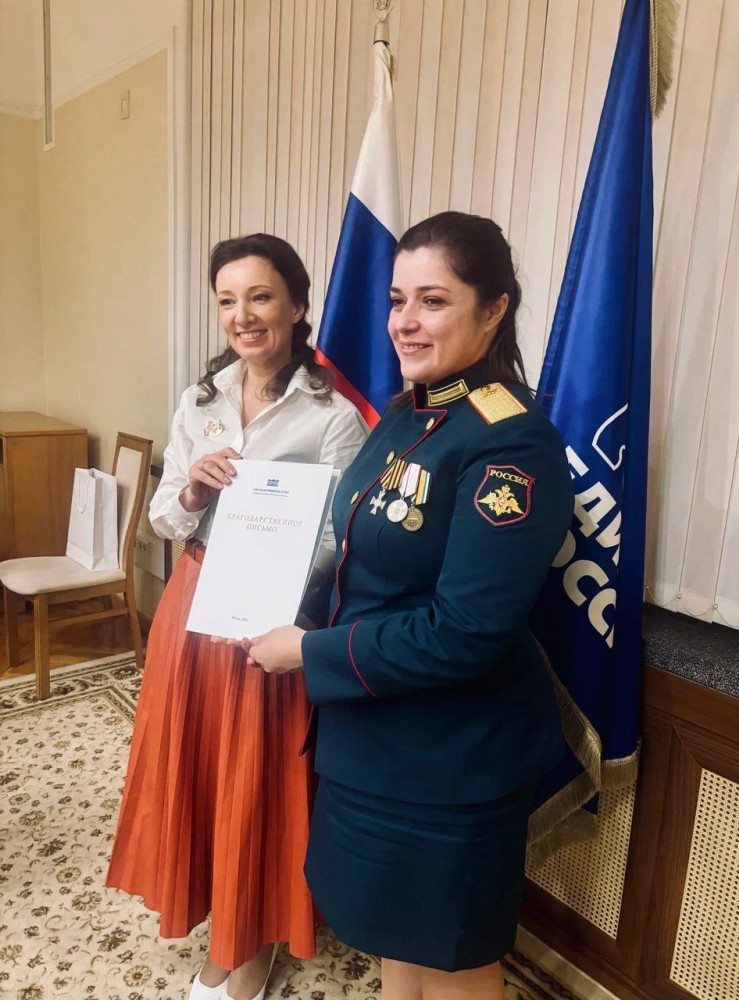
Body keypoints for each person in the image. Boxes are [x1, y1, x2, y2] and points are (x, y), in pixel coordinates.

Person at [241, 212, 574, 1000]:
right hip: (369, 738)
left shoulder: (510, 442)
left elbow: (466, 632)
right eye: (397, 300)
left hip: (448, 759)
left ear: (493, 309)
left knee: (452, 958)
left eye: (433, 300)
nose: (404, 322)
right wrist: (274, 599)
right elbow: (363, 561)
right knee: (395, 939)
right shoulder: (405, 414)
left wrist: (308, 651)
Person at [106, 234, 367, 1000]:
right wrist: (192, 489)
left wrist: (273, 543)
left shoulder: (333, 417)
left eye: (259, 296)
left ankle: (251, 943)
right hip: (191, 605)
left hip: (269, 616)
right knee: (195, 767)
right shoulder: (202, 401)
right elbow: (164, 516)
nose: (242, 315)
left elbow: (342, 541)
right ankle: (213, 918)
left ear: (296, 305)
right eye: (227, 299)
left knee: (253, 779)